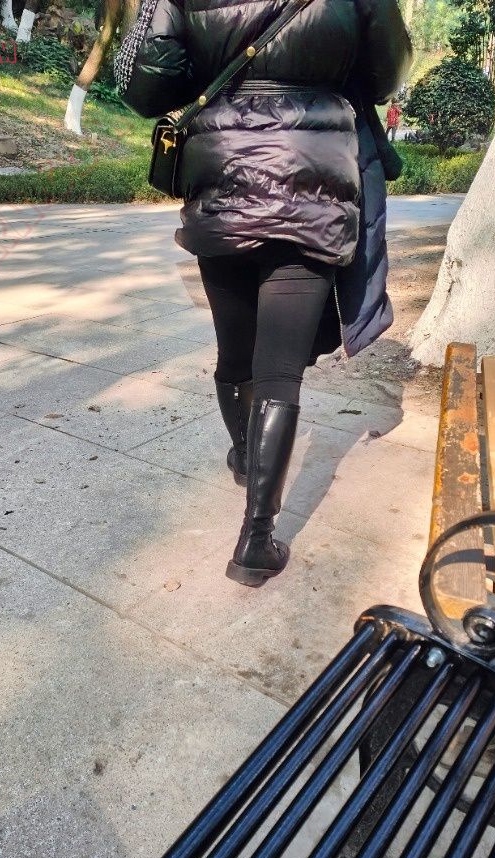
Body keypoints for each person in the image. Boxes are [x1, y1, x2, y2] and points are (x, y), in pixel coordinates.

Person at [116, 0, 411, 586]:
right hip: (313, 177)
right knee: (280, 373)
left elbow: (149, 83)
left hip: (222, 175)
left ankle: (245, 456)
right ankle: (256, 539)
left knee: (235, 351)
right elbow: (386, 75)